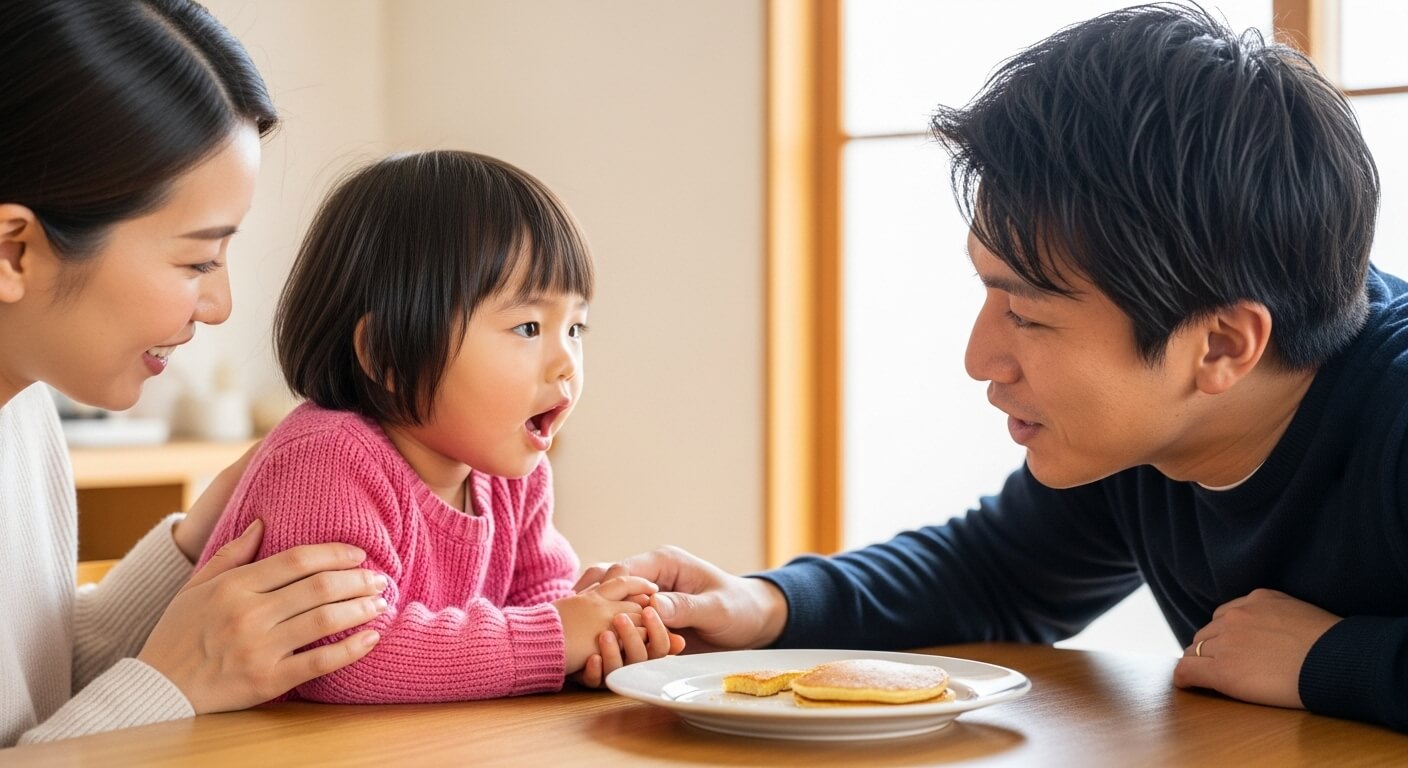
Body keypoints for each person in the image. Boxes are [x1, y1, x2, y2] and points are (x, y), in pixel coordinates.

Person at [583, 3, 1408, 733]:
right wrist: (762, 605)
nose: (980, 359)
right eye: (989, 292)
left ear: (1222, 346)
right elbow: (993, 575)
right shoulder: (1146, 433)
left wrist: (1331, 661)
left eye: (1029, 314)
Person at [0, 0, 393, 747]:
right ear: (14, 251)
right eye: (197, 261)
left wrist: (195, 545)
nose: (219, 305)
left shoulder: (21, 412)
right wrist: (175, 682)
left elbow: (32, 687)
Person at [196, 150, 683, 703]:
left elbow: (539, 596)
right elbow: (341, 656)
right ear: (389, 355)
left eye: (575, 328)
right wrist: (555, 637)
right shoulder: (327, 460)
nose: (567, 363)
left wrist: (596, 637)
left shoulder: (514, 475)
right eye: (528, 326)